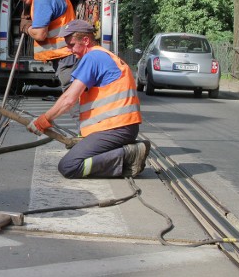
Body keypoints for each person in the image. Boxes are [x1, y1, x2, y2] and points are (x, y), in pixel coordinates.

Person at [26, 19, 149, 179]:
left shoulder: (93, 58)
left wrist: (44, 120)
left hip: (116, 129)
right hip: (118, 127)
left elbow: (69, 98)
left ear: (85, 40)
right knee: (76, 153)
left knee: (69, 166)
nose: (69, 50)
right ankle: (120, 154)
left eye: (71, 45)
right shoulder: (102, 56)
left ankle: (128, 154)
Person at [6, 0, 77, 91]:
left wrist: (26, 27)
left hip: (67, 55)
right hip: (66, 54)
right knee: (73, 94)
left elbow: (40, 35)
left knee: (73, 96)